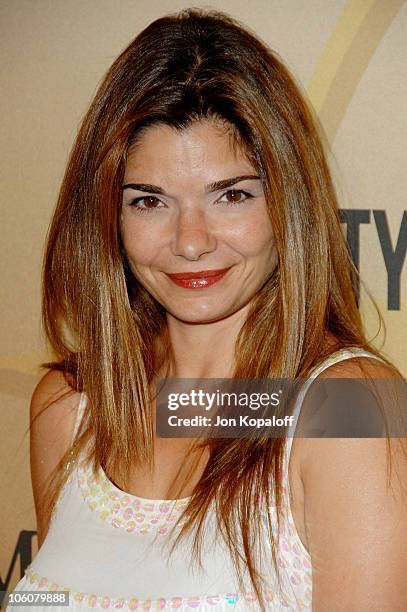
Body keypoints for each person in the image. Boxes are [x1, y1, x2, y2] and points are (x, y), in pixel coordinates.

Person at [7, 8, 407, 612]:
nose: (190, 241)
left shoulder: (350, 414)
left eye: (232, 195)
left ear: (288, 205)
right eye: (148, 201)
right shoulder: (71, 406)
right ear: (108, 219)